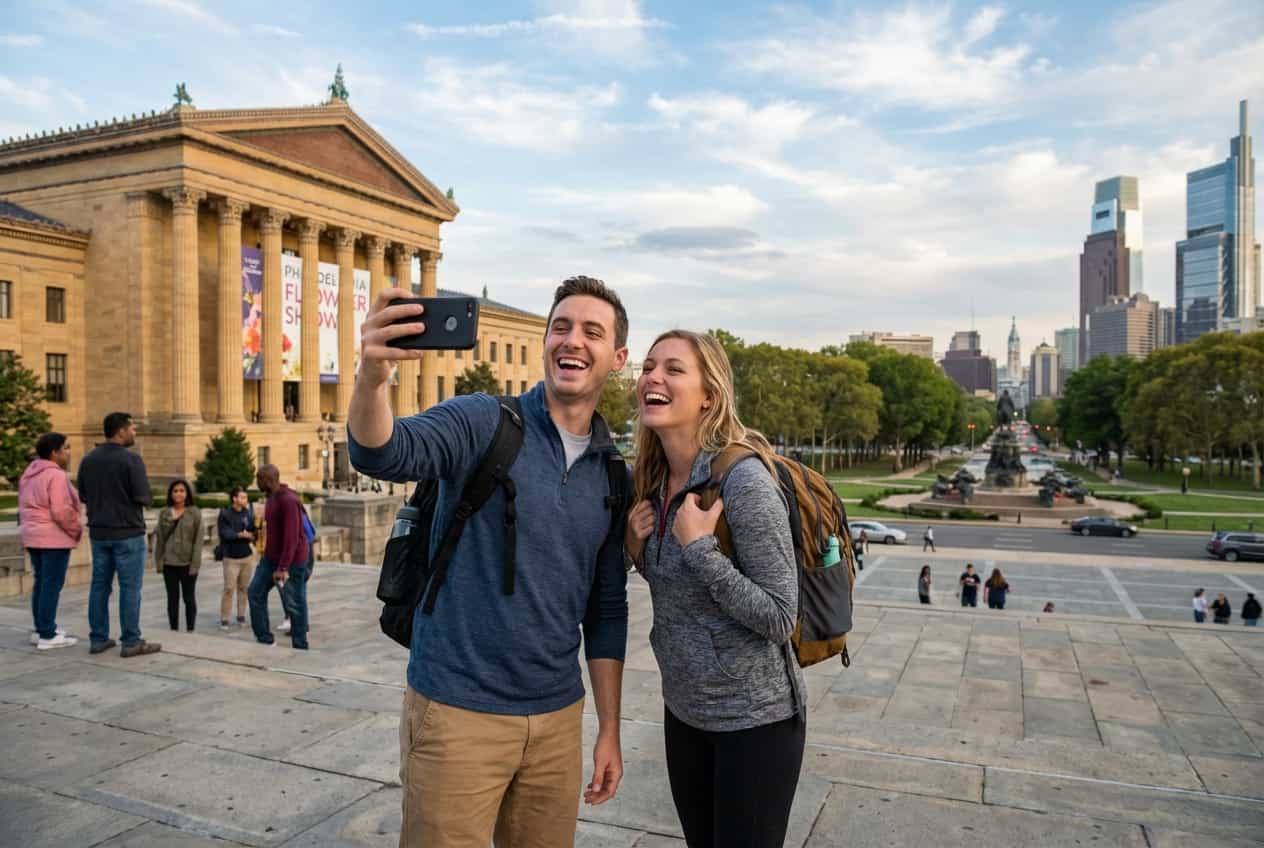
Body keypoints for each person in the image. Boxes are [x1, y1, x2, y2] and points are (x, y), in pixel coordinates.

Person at [348, 275, 631, 847]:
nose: (571, 340)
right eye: (560, 327)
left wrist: (609, 730)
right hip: (457, 714)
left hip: (556, 722)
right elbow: (383, 451)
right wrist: (372, 377)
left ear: (617, 358)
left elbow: (605, 611)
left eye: (591, 332)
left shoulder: (610, 473)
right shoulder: (483, 421)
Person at [624, 330, 804, 848]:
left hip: (756, 723)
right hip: (685, 712)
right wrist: (635, 547)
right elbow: (680, 593)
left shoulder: (743, 483)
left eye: (674, 369)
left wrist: (701, 551)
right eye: (649, 366)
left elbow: (779, 616)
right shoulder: (656, 483)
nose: (653, 377)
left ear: (709, 394)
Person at [77, 412, 160, 657]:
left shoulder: (88, 459)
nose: (135, 432)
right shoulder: (131, 460)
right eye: (132, 428)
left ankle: (98, 639)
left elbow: (82, 495)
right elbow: (144, 497)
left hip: (99, 533)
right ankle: (131, 641)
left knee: (99, 586)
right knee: (130, 587)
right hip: (128, 533)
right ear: (121, 431)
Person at [18, 432, 82, 650]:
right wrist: (76, 530)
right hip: (53, 537)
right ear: (55, 452)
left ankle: (42, 629)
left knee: (42, 582)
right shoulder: (55, 475)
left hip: (34, 536)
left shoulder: (30, 472)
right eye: (66, 448)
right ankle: (47, 634)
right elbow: (61, 510)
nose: (68, 452)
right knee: (51, 585)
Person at [247, 465, 311, 649]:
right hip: (270, 559)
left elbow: (292, 537)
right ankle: (264, 639)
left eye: (258, 479)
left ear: (268, 479)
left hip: (291, 562)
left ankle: (300, 645)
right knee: (255, 593)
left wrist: (283, 568)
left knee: (294, 604)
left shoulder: (288, 500)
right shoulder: (272, 498)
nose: (257, 482)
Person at [153, 479, 203, 632]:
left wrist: (195, 565)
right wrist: (159, 562)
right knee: (172, 599)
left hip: (187, 564)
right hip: (169, 564)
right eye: (175, 491)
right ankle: (173, 628)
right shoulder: (164, 513)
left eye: (182, 490)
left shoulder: (194, 512)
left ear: (187, 493)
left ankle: (190, 628)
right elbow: (160, 539)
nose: (179, 494)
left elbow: (198, 541)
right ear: (171, 494)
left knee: (189, 598)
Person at [217, 486, 256, 630]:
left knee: (244, 588)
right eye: (242, 497)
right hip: (231, 557)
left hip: (246, 556)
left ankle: (241, 616)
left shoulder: (248, 514)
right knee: (229, 588)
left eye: (246, 497)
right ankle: (225, 618)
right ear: (234, 498)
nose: (245, 500)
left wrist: (252, 535)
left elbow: (253, 532)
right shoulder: (225, 514)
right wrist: (239, 535)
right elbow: (225, 533)